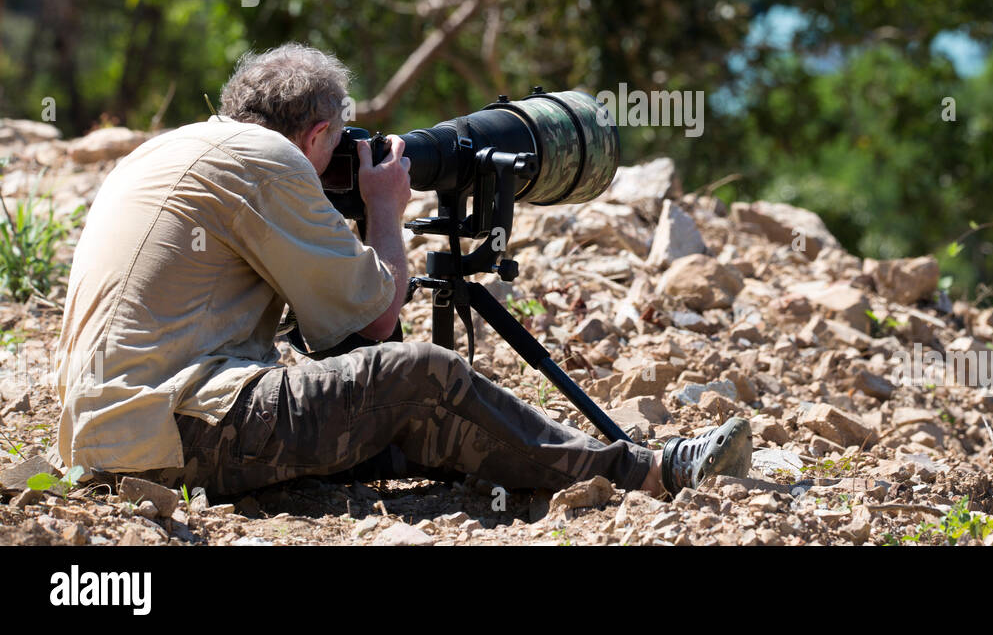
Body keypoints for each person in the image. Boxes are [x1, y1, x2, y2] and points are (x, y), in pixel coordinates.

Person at [49, 43, 752, 504]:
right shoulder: (270, 161)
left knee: (341, 375)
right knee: (417, 373)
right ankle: (644, 472)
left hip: (109, 432)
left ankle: (498, 463)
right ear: (318, 134)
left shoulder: (169, 151)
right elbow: (377, 321)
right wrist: (386, 209)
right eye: (337, 144)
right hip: (175, 429)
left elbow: (326, 337)